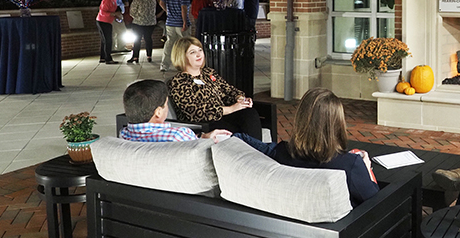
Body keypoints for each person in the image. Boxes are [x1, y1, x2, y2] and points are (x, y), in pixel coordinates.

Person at [233, 88, 379, 205]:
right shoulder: (350, 164)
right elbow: (375, 202)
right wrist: (367, 167)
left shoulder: (282, 152)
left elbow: (246, 140)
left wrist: (215, 135)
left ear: (300, 119)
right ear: (338, 123)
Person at [167, 37, 263, 138]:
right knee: (237, 130)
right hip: (204, 124)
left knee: (249, 113)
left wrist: (239, 98)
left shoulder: (208, 73)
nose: (199, 54)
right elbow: (194, 112)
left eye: (200, 50)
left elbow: (228, 90)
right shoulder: (178, 82)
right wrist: (231, 109)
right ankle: (258, 150)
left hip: (223, 116)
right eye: (192, 52)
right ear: (182, 56)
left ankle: (258, 151)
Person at [120, 79, 231, 142]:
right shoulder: (179, 135)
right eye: (166, 104)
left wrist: (202, 137)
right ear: (158, 112)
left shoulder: (123, 136)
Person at [159, 0, 193, 72]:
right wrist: (184, 22)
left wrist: (167, 11)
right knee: (185, 44)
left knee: (169, 43)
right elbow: (184, 8)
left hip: (170, 22)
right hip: (180, 23)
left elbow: (161, 2)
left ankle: (164, 65)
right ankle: (185, 65)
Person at [128, 0, 157, 64]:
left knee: (137, 40)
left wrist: (137, 16)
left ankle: (135, 57)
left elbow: (132, 11)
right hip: (150, 23)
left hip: (139, 22)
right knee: (148, 39)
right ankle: (149, 56)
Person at [96, 0, 123, 64]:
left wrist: (116, 15)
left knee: (105, 40)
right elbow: (102, 12)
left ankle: (103, 57)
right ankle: (108, 58)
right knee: (108, 40)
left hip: (107, 21)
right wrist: (114, 14)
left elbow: (112, 10)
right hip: (103, 21)